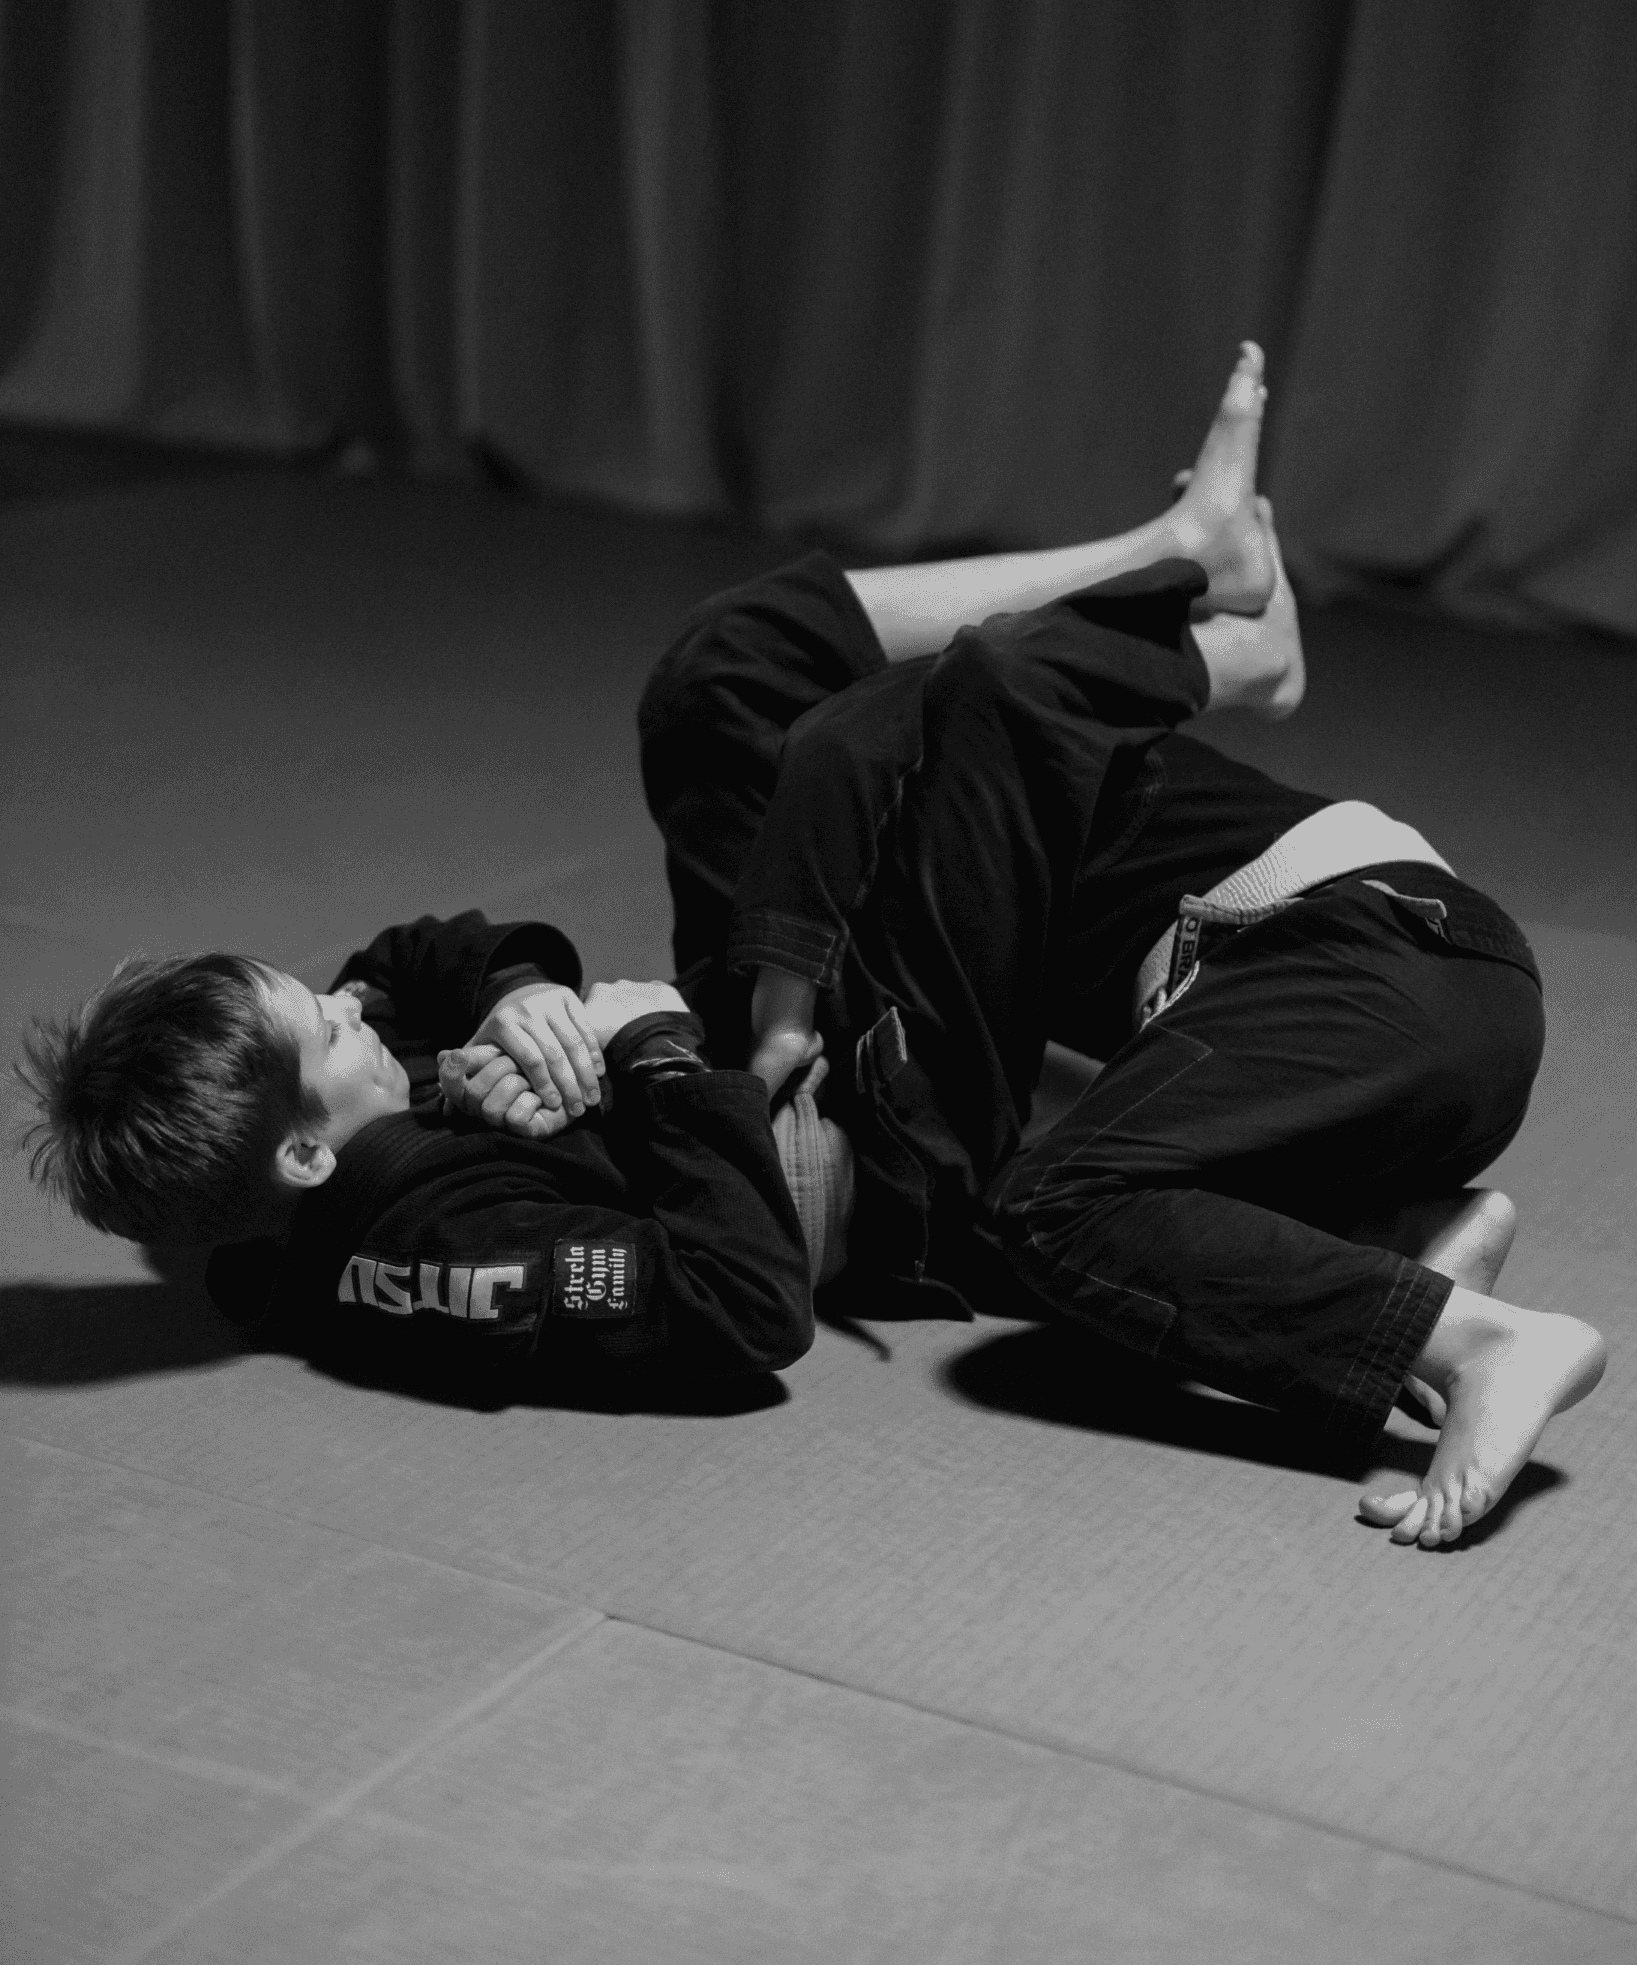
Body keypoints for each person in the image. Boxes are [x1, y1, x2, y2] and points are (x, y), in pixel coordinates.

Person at [15, 356, 1289, 1398]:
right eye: (328, 1027)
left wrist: (515, 996)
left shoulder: (297, 1155)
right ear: (302, 1156)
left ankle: (1188, 559)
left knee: (717, 673)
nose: (348, 1004)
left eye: (319, 998)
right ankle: (1376, 1230)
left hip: (749, 1052)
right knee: (928, 746)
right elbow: (742, 1309)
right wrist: (655, 1054)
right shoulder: (452, 1258)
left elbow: (404, 957)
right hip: (877, 1133)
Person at [608, 345, 1606, 1549]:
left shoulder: (899, 829)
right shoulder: (889, 1000)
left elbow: (932, 695)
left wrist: (771, 1001)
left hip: (1368, 955)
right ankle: (1391, 1242)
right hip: (1364, 1017)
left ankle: (1476, 1338)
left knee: (1050, 1206)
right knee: (725, 687)